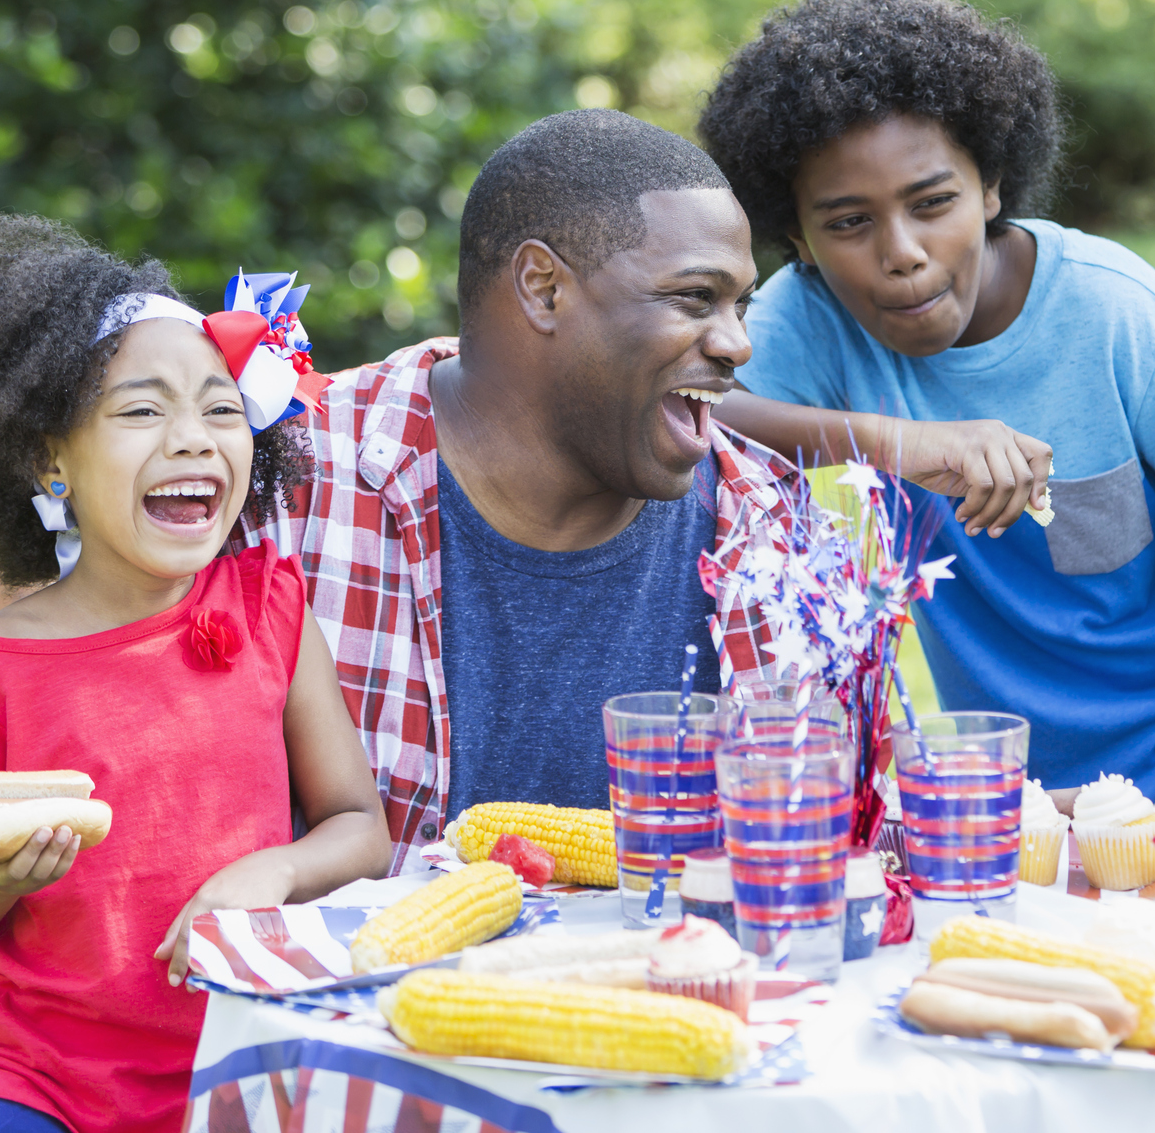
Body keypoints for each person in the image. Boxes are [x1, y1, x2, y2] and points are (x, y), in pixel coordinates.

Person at [697, 0, 1155, 815]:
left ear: (991, 187)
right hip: (1022, 804)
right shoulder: (815, 317)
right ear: (799, 241)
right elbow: (696, 411)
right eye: (849, 224)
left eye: (933, 205)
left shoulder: (1120, 318)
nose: (903, 255)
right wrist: (901, 443)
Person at [0, 217, 391, 1133]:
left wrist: (270, 871)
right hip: (36, 1083)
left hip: (248, 1061)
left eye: (220, 409)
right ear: (49, 457)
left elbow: (359, 828)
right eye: (143, 410)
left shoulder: (267, 607)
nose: (192, 438)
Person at [234, 109, 799, 871]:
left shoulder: (765, 527)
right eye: (695, 297)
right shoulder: (287, 481)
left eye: (740, 304)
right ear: (543, 288)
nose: (738, 343)